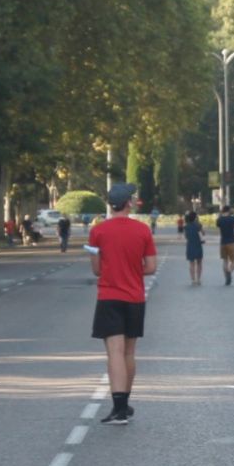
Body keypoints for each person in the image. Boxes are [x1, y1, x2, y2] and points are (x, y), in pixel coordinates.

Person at [90, 182, 157, 425]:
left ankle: (118, 408)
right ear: (128, 203)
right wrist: (132, 269)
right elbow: (150, 267)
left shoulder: (98, 231)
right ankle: (125, 403)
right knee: (129, 352)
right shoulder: (143, 231)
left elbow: (96, 269)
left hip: (109, 297)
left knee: (114, 353)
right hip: (134, 297)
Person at [215, 204, 234, 285]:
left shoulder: (220, 220)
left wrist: (220, 213)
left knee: (225, 261)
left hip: (223, 242)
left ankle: (226, 278)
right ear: (229, 210)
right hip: (231, 242)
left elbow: (217, 223)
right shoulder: (232, 219)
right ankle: (229, 271)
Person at [182, 210, 205, 286]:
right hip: (198, 245)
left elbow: (185, 236)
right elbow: (203, 233)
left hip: (190, 246)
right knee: (199, 263)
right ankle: (198, 279)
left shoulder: (186, 226)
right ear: (195, 217)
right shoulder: (198, 225)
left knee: (191, 264)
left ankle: (193, 280)